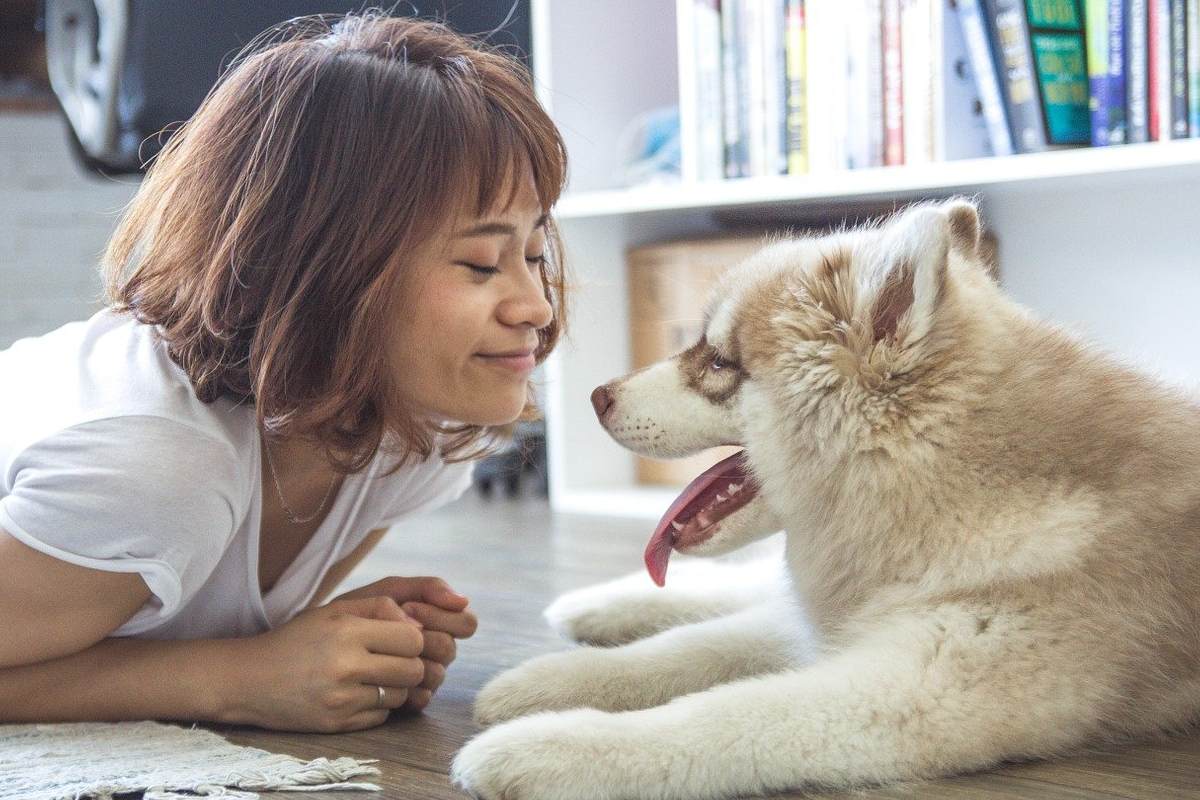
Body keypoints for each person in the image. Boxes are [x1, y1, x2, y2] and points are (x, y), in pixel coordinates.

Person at [0, 10, 567, 734]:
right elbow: (227, 663)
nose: (535, 306)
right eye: (481, 263)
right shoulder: (158, 468)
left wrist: (338, 647)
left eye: (534, 254)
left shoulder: (412, 429)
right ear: (323, 271)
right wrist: (235, 679)